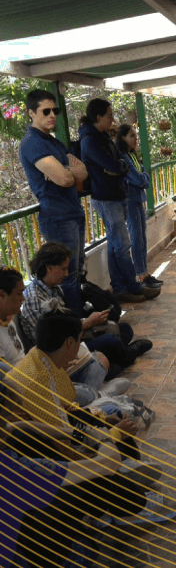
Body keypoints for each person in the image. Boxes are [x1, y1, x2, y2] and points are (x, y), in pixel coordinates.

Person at [0, 420, 148, 568]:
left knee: (23, 436)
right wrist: (105, 438)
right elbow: (107, 463)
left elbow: (18, 426)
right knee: (97, 479)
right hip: (24, 557)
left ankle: (112, 498)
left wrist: (80, 435)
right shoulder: (10, 470)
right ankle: (131, 501)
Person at [0, 267, 125, 406]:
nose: (22, 298)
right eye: (19, 294)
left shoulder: (8, 321)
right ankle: (98, 396)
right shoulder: (33, 298)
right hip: (32, 386)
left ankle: (93, 396)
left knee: (99, 358)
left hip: (42, 371)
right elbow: (9, 381)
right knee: (101, 359)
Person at [21, 243, 152, 373]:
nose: (66, 274)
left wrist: (89, 322)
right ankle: (127, 354)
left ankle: (110, 359)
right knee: (112, 341)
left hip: (74, 338)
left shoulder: (53, 288)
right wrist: (87, 324)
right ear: (49, 268)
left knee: (124, 329)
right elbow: (52, 344)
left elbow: (66, 323)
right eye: (63, 269)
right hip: (61, 353)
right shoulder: (35, 299)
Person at [77, 99, 159, 304]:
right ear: (98, 117)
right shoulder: (90, 140)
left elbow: (118, 165)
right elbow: (114, 166)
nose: (113, 119)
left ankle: (122, 287)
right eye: (109, 115)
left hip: (116, 195)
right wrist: (118, 168)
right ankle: (131, 286)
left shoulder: (103, 137)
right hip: (106, 198)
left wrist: (118, 167)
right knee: (122, 245)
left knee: (116, 246)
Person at [18, 89, 89, 315]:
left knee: (76, 270)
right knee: (65, 275)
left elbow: (83, 172)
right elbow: (66, 178)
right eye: (45, 111)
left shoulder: (54, 143)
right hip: (57, 216)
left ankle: (78, 323)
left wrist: (65, 172)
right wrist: (66, 172)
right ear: (31, 113)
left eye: (55, 110)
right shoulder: (32, 143)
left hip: (72, 211)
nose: (52, 115)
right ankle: (75, 328)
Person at [115, 124, 162, 290]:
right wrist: (143, 178)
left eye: (136, 135)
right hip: (130, 201)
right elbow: (140, 179)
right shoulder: (123, 157)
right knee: (136, 238)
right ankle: (140, 275)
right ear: (123, 138)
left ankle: (144, 273)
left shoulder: (132, 155)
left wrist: (143, 177)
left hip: (138, 199)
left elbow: (143, 175)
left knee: (141, 237)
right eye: (131, 136)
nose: (135, 139)